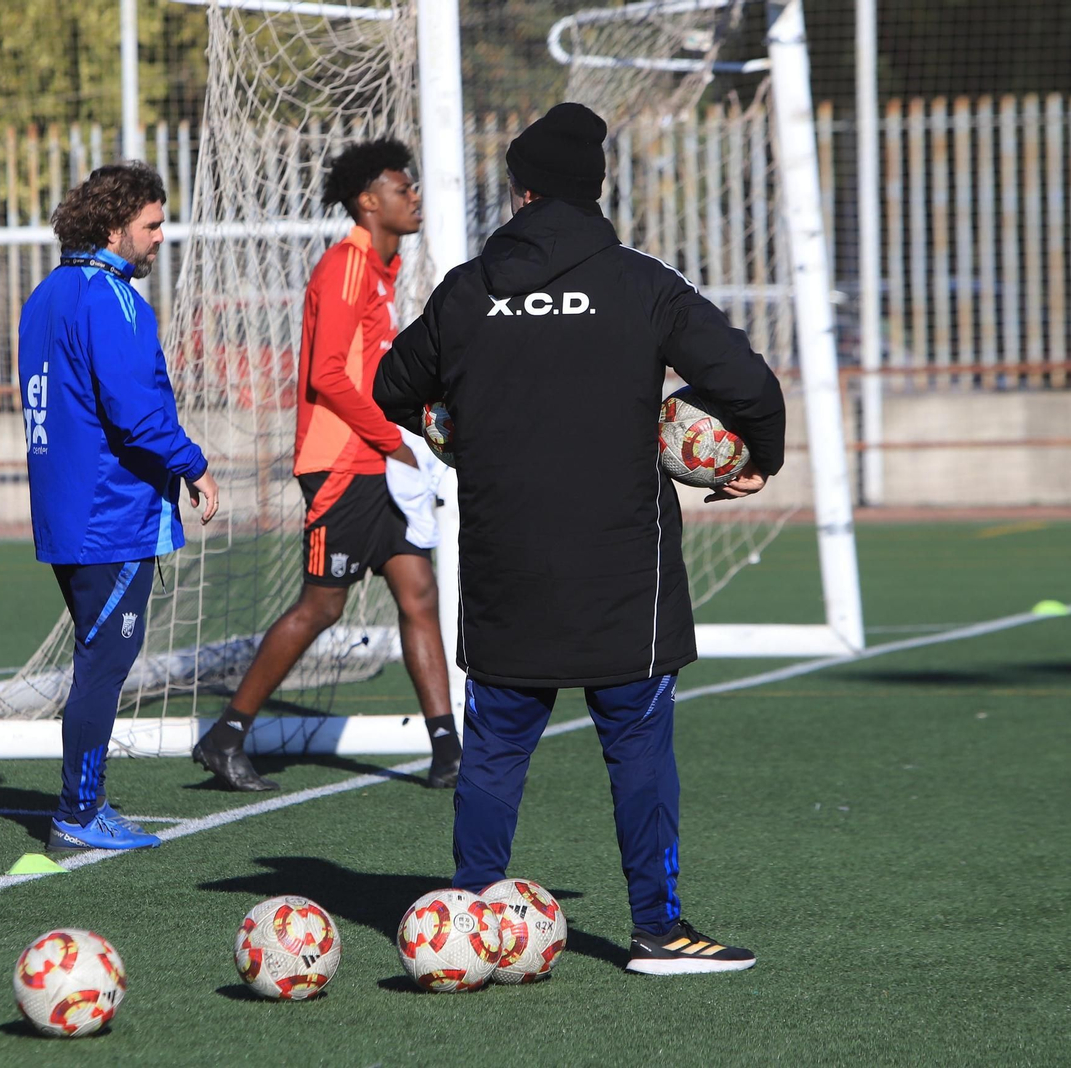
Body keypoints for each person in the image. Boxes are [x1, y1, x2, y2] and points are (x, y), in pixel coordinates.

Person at [372, 103, 785, 974]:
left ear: (520, 193)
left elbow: (389, 384)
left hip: (505, 560)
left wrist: (447, 427)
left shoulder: (467, 288)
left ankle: (471, 917)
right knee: (635, 746)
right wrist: (758, 459)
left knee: (494, 749)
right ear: (593, 190)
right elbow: (749, 383)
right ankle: (658, 932)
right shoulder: (641, 281)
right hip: (621, 566)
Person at [192, 139, 462, 793]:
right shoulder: (345, 265)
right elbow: (327, 375)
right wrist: (394, 442)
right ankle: (225, 736)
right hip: (343, 465)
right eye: (404, 188)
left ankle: (449, 750)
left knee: (418, 594)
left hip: (383, 461)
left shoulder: (382, 270)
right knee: (322, 607)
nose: (415, 196)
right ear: (369, 202)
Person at [20, 161, 220, 851]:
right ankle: (79, 813)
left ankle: (86, 802)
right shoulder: (114, 299)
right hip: (110, 514)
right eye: (152, 224)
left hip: (65, 508)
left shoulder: (46, 294)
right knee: (104, 664)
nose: (161, 237)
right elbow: (133, 413)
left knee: (97, 658)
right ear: (114, 227)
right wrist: (194, 464)